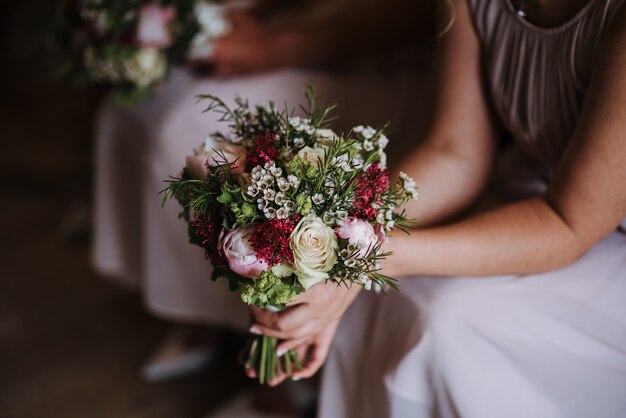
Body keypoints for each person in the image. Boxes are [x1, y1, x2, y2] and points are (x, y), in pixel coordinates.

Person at [249, 0, 626, 416]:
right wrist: (339, 230)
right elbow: (455, 151)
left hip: (593, 228)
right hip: (539, 183)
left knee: (447, 324)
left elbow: (568, 223)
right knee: (386, 290)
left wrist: (365, 259)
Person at [92, 0, 434, 385]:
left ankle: (274, 372)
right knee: (146, 107)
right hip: (316, 17)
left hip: (391, 50)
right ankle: (204, 313)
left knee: (185, 130)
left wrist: (280, 44)